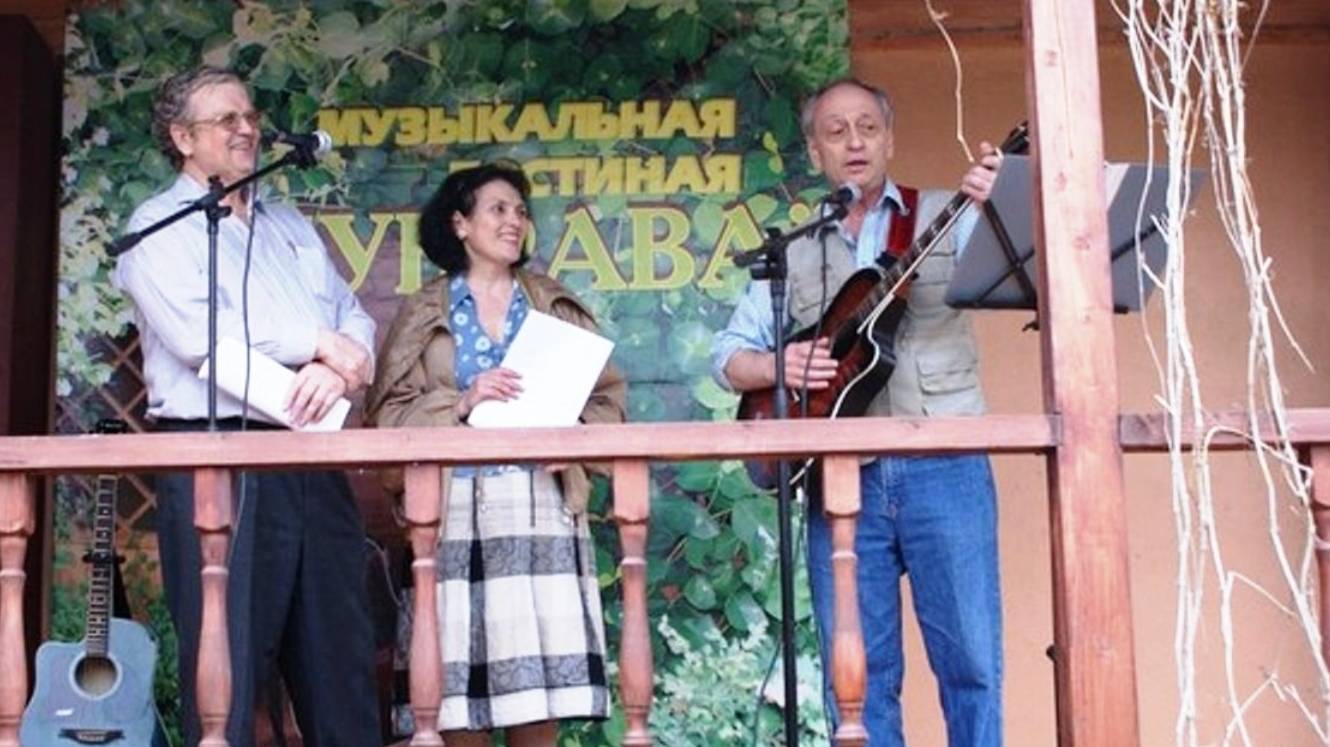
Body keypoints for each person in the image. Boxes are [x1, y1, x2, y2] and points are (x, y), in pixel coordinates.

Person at [711, 77, 1006, 746]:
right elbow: (728, 355)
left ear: (889, 140)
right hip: (842, 477)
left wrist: (1004, 204)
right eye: (836, 131)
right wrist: (780, 365)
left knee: (972, 664)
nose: (855, 142)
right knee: (859, 680)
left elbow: (1027, 271)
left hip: (945, 463)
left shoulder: (951, 213)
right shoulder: (794, 249)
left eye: (868, 127)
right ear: (815, 151)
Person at [113, 66, 381, 746]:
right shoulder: (159, 226)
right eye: (226, 119)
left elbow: (353, 317)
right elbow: (197, 336)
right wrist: (316, 342)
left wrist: (337, 364)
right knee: (224, 672)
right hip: (216, 459)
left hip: (310, 457)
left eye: (250, 116)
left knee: (340, 661)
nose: (247, 129)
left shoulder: (289, 226)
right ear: (182, 138)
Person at [364, 163, 626, 747]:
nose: (514, 222)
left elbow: (608, 405)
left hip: (541, 508)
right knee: (455, 698)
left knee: (538, 695)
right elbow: (387, 418)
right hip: (453, 511)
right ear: (459, 224)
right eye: (498, 209)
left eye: (521, 212)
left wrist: (573, 440)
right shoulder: (425, 311)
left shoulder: (553, 304)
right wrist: (460, 402)